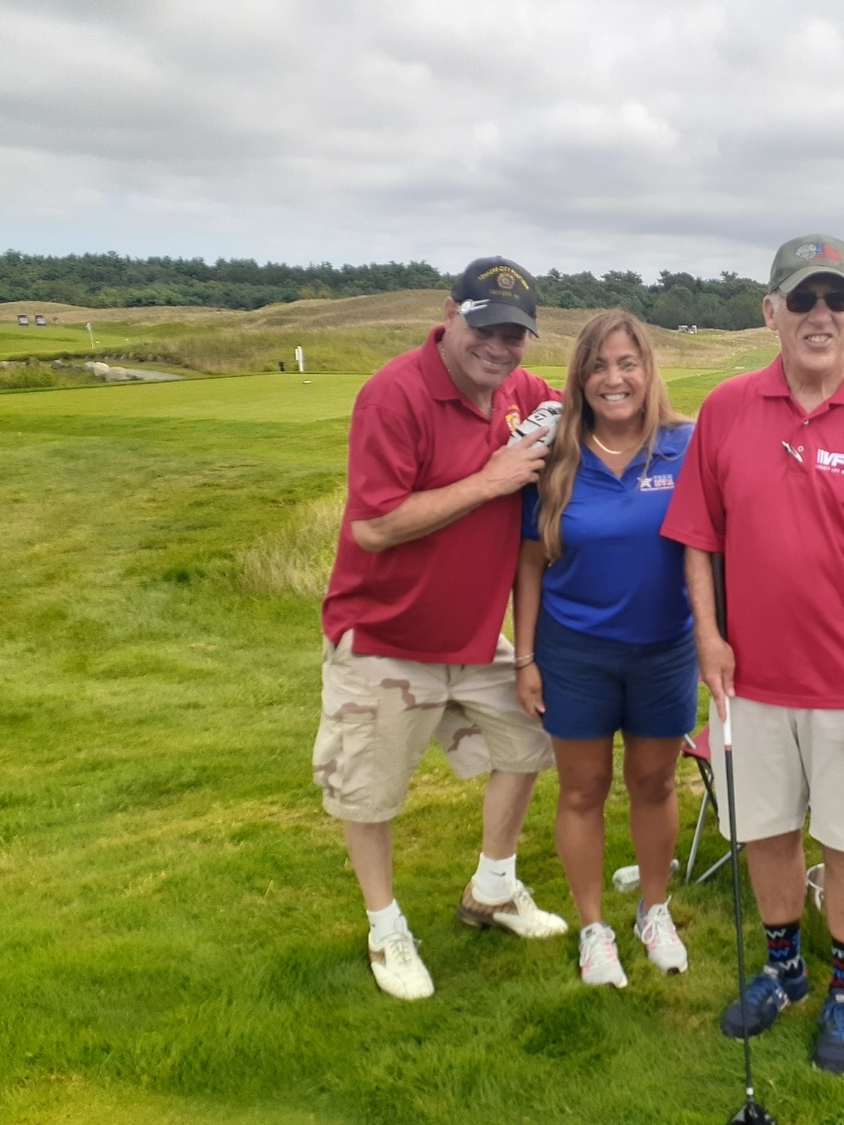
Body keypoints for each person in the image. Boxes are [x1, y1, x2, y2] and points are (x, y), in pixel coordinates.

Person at [662, 234, 844, 1075]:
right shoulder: (724, 408)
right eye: (802, 299)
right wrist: (710, 637)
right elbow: (697, 537)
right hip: (750, 680)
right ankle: (785, 968)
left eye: (836, 299)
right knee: (769, 831)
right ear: (771, 313)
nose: (820, 315)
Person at [312, 257, 568, 1002]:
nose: (499, 345)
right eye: (486, 326)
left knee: (532, 737)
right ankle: (385, 924)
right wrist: (492, 478)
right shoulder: (393, 394)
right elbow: (376, 524)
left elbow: (595, 408)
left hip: (475, 633)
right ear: (450, 314)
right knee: (370, 791)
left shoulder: (522, 392)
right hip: (384, 632)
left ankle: (492, 886)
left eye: (515, 333)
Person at [512, 309, 696, 989]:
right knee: (583, 788)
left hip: (664, 649)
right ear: (580, 377)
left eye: (627, 364)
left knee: (654, 782)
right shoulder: (555, 453)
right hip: (574, 650)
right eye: (598, 366)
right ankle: (594, 927)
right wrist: (525, 657)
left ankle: (654, 910)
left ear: (649, 372)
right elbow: (530, 562)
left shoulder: (687, 444)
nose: (613, 379)